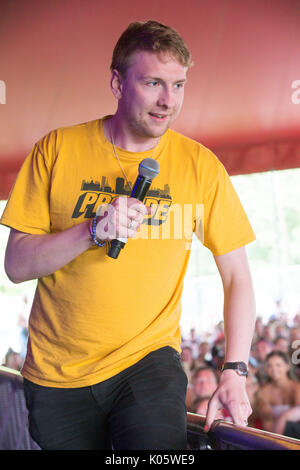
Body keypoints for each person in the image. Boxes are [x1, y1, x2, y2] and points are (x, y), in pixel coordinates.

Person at [1, 20, 256, 450]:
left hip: (148, 360)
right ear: (117, 83)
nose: (167, 101)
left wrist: (235, 368)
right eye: (153, 82)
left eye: (178, 85)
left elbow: (238, 276)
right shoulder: (57, 149)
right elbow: (16, 266)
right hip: (57, 375)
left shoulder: (201, 166)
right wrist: (91, 230)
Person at [254, 351, 300, 433]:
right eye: (269, 366)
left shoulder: (297, 388)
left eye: (278, 365)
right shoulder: (263, 391)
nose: (274, 369)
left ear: (287, 366)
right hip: (271, 433)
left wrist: (282, 419)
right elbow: (266, 421)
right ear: (265, 368)